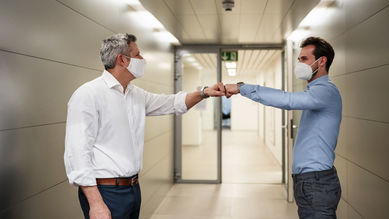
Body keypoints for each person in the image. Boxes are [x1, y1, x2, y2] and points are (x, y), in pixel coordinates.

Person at [64, 33, 225, 219]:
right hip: (106, 192)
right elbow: (77, 152)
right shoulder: (88, 94)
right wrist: (96, 203)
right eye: (138, 54)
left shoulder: (135, 94)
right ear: (122, 60)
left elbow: (172, 102)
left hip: (132, 188)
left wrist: (204, 93)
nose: (142, 59)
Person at [225, 37, 342, 219]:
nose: (299, 63)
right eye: (298, 59)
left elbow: (288, 100)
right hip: (311, 181)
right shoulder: (314, 92)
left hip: (316, 182)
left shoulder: (326, 91)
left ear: (322, 61)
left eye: (304, 59)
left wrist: (242, 88)